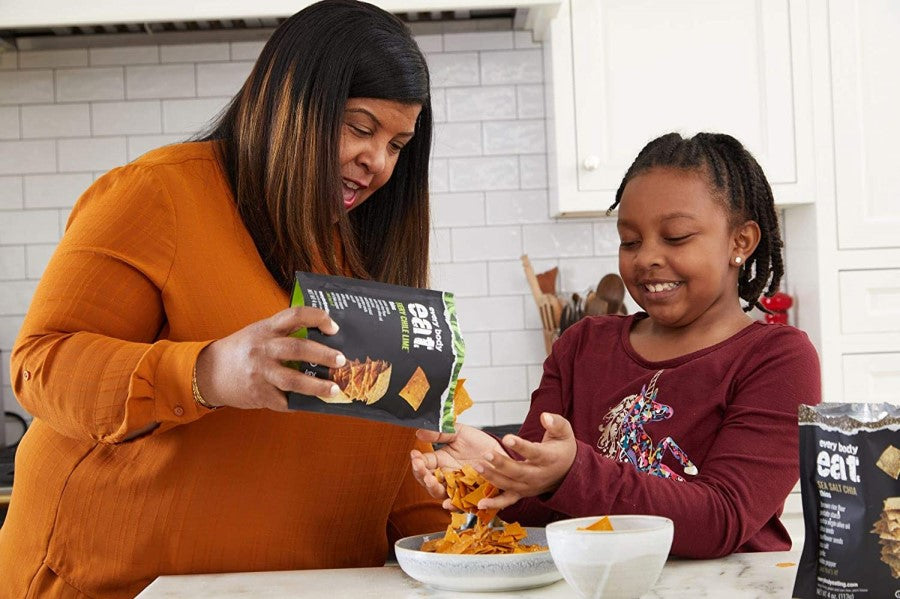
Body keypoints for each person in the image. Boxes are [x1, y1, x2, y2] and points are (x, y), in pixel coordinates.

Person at [0, 1, 448, 597]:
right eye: (360, 128)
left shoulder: (367, 254)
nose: (379, 163)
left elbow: (389, 456)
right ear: (288, 103)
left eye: (398, 144)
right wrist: (207, 372)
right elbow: (42, 366)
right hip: (117, 583)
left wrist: (453, 535)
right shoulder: (159, 194)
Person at [412, 132, 822, 559]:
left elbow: (720, 520)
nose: (646, 258)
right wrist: (495, 472)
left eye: (676, 236)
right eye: (630, 241)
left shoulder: (777, 359)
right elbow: (535, 516)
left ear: (741, 242)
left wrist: (569, 472)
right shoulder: (581, 346)